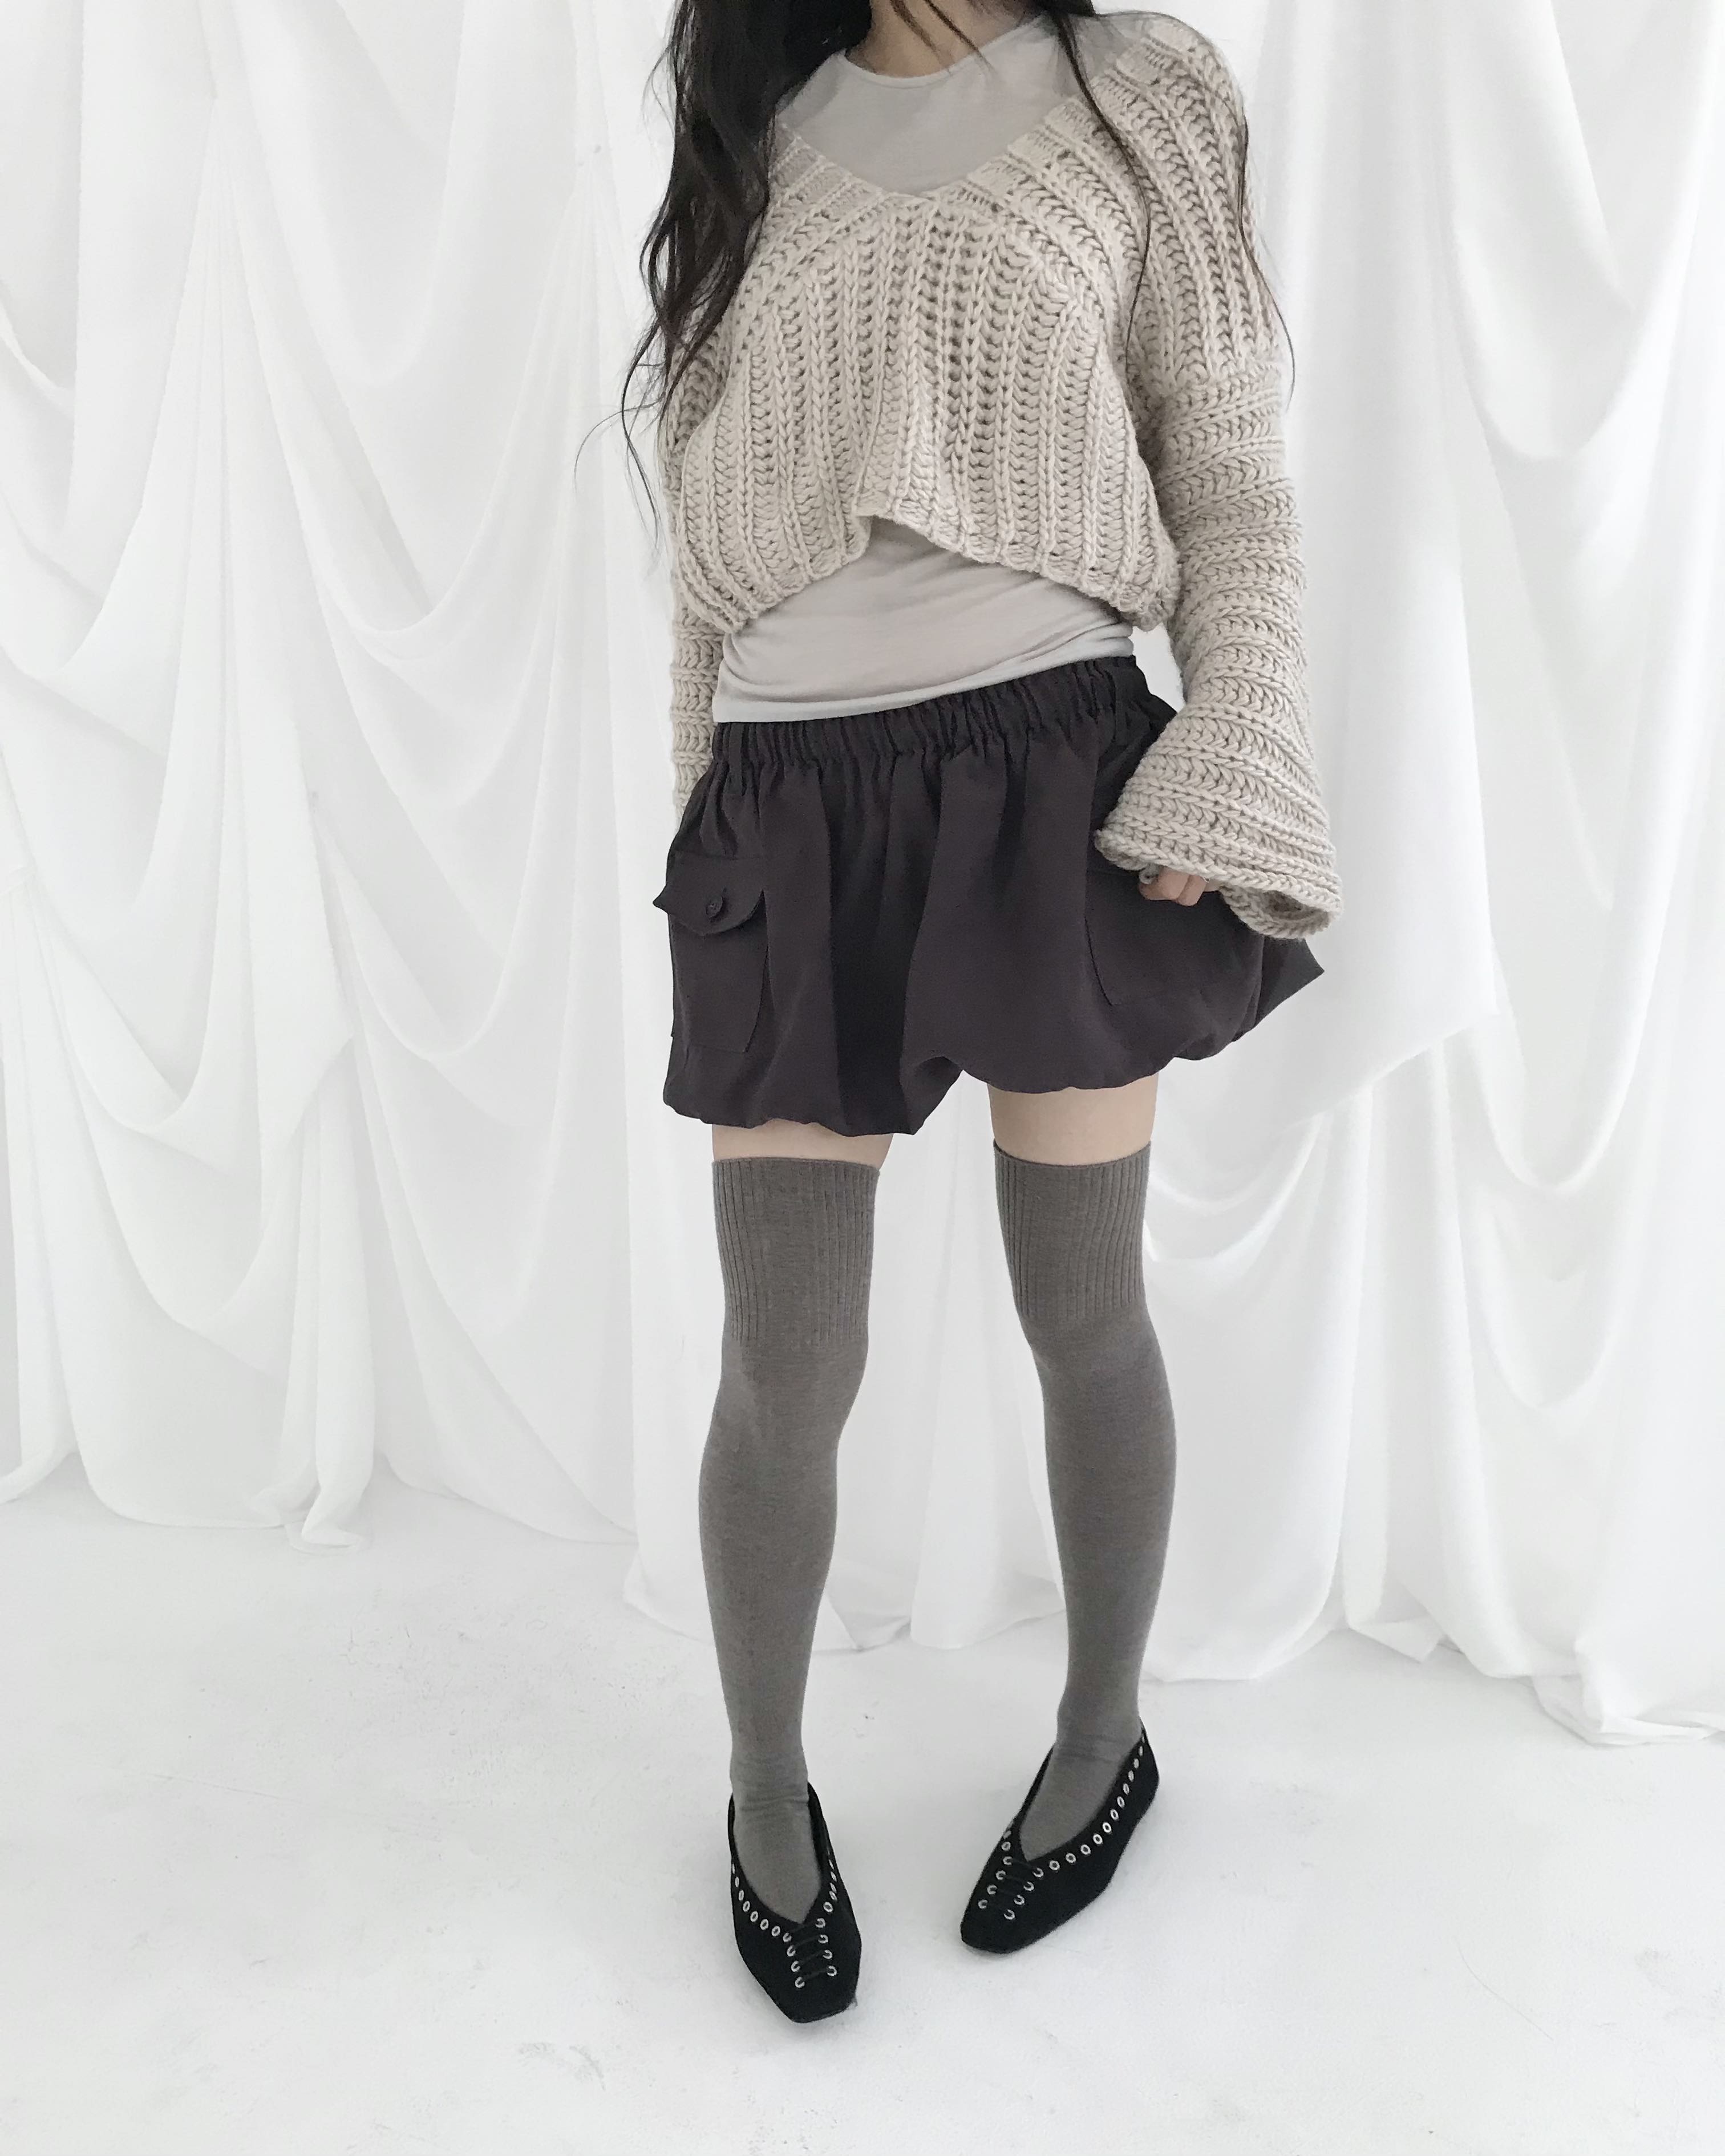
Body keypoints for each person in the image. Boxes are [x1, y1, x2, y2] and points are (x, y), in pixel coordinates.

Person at [620, 0, 1344, 2023]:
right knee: (784, 1369)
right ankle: (765, 1788)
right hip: (790, 796)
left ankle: (1106, 1737)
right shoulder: (760, 129)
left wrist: (1232, 750)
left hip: (1047, 775)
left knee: (1082, 1306)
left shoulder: (1138, 90)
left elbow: (1231, 467)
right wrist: (702, 818)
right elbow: (697, 558)